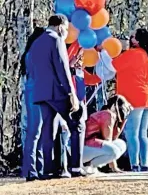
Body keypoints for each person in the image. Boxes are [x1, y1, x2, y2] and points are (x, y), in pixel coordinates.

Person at [84, 28, 148, 172]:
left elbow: (112, 65)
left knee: (132, 133)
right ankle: (145, 164)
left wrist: (103, 51)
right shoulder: (146, 55)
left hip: (134, 97)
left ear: (138, 40)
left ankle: (135, 164)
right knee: (143, 134)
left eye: (133, 36)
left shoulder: (132, 54)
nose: (131, 38)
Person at [29, 14, 83, 180]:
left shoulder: (36, 42)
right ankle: (76, 167)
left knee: (48, 130)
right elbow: (62, 68)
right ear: (60, 26)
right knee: (78, 122)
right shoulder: (56, 40)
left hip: (41, 92)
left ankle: (49, 170)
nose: (66, 33)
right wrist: (71, 93)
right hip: (57, 91)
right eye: (66, 29)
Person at [83, 95, 133, 174]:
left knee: (121, 144)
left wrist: (124, 121)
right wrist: (114, 167)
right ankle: (87, 166)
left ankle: (91, 166)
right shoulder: (107, 114)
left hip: (89, 147)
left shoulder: (110, 115)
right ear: (114, 106)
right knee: (114, 151)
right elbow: (108, 141)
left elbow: (114, 138)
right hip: (85, 146)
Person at [20, 26, 45, 180]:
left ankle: (38, 167)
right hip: (36, 92)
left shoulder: (30, 54)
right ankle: (31, 169)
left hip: (36, 91)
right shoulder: (34, 55)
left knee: (38, 132)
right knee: (34, 131)